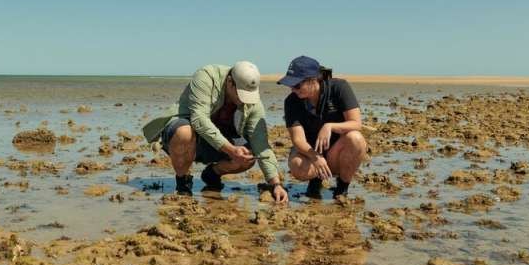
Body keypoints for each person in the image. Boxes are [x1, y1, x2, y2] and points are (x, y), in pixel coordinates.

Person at [142, 61, 288, 203]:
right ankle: (183, 184)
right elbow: (199, 120)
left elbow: (261, 143)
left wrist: (276, 184)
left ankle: (212, 174)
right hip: (187, 137)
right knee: (184, 132)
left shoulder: (253, 104)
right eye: (240, 95)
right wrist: (231, 150)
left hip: (218, 144)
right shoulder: (206, 77)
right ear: (230, 82)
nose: (244, 101)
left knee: (250, 156)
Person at [278, 56, 367, 199]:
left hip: (336, 151)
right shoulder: (291, 102)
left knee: (356, 138)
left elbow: (356, 124)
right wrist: (315, 157)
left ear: (313, 80)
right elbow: (298, 139)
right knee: (297, 165)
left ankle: (342, 187)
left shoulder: (339, 88)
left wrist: (330, 126)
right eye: (290, 85)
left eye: (297, 85)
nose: (293, 89)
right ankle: (315, 180)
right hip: (310, 151)